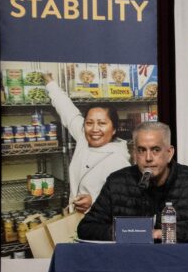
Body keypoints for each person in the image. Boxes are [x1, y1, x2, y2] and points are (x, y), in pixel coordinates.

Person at [77, 121, 188, 242]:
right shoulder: (117, 181)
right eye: (141, 150)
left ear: (169, 153)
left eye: (156, 150)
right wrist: (131, 232)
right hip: (131, 267)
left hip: (178, 266)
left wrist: (166, 233)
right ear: (134, 154)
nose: (148, 158)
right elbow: (86, 228)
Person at [44, 73, 129, 213]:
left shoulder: (119, 161)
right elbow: (68, 111)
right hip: (75, 220)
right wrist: (50, 83)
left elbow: (125, 203)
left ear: (114, 129)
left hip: (99, 226)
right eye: (89, 123)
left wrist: (93, 201)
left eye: (102, 123)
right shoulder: (84, 137)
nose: (95, 129)